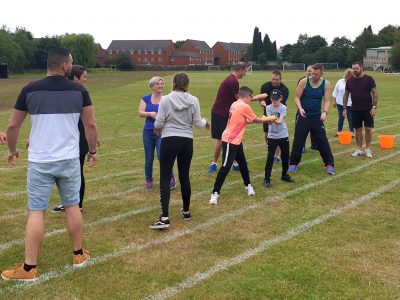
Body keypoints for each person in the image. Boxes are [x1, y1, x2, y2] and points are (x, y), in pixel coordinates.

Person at [1, 47, 97, 281]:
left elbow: (13, 126)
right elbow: (90, 125)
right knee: (72, 206)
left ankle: (29, 267)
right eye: (71, 63)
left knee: (36, 211)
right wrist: (92, 150)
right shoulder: (79, 91)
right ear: (64, 66)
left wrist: (12, 151)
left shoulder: (30, 89)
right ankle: (78, 254)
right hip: (68, 160)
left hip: (40, 160)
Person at [150, 73, 209, 229]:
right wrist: (206, 122)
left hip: (169, 139)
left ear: (173, 83)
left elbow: (159, 121)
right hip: (186, 141)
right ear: (187, 84)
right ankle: (186, 211)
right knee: (184, 176)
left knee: (165, 177)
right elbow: (197, 122)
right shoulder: (194, 100)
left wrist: (157, 129)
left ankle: (164, 217)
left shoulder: (166, 99)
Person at [209, 86, 273, 205]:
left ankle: (248, 186)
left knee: (243, 164)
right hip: (230, 140)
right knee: (225, 167)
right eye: (251, 97)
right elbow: (254, 119)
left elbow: (242, 120)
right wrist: (266, 119)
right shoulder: (244, 106)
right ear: (246, 96)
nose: (251, 99)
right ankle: (215, 193)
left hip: (236, 140)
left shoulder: (235, 103)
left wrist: (263, 120)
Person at [52, 65, 101, 213]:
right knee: (64, 173)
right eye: (84, 76)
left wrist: (93, 138)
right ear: (75, 77)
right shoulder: (65, 92)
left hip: (78, 139)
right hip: (65, 139)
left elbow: (89, 120)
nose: (86, 79)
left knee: (76, 172)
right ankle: (68, 202)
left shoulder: (80, 92)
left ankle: (77, 205)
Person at [288, 63, 335, 175]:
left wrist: (325, 112)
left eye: (316, 74)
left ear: (321, 73)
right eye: (312, 73)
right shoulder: (304, 81)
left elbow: (327, 100)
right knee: (298, 140)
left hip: (317, 116)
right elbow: (296, 97)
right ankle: (293, 163)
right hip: (303, 115)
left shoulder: (326, 84)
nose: (313, 76)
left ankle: (329, 165)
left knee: (322, 141)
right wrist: (300, 108)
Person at [208, 62, 248, 173]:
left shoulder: (233, 80)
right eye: (245, 71)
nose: (246, 73)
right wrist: (253, 98)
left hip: (227, 114)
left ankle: (234, 163)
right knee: (221, 140)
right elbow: (239, 99)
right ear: (240, 70)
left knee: (232, 138)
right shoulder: (233, 81)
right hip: (220, 114)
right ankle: (214, 163)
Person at [138, 76, 176, 191]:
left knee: (162, 157)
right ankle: (149, 181)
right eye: (157, 84)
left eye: (162, 84)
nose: (160, 86)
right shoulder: (145, 98)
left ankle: (170, 178)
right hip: (148, 133)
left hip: (162, 132)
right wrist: (149, 114)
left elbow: (172, 115)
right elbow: (140, 113)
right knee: (148, 158)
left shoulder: (167, 99)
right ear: (152, 86)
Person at [343, 62, 378, 158]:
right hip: (355, 109)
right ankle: (358, 149)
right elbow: (346, 95)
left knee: (368, 129)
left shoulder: (369, 79)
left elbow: (374, 93)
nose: (355, 70)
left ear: (361, 68)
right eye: (353, 68)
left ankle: (367, 149)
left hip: (367, 109)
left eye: (356, 68)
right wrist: (344, 108)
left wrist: (374, 107)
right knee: (357, 130)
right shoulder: (349, 81)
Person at [263, 89, 294, 188]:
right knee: (270, 158)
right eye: (272, 99)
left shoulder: (283, 107)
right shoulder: (268, 107)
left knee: (285, 157)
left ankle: (284, 175)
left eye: (276, 99)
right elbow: (269, 120)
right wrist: (268, 120)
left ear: (281, 98)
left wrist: (271, 119)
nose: (274, 101)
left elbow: (280, 121)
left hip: (283, 135)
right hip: (272, 136)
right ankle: (266, 179)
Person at [259, 70, 289, 163]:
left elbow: (281, 105)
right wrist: (261, 102)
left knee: (278, 134)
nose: (275, 81)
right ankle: (271, 150)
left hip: (279, 113)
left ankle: (277, 156)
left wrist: (276, 118)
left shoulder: (284, 89)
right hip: (267, 111)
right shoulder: (265, 86)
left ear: (280, 79)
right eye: (273, 79)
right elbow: (261, 98)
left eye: (276, 79)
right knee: (266, 133)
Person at [332, 68, 354, 135]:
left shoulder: (354, 83)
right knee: (341, 118)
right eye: (347, 76)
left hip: (350, 104)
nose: (348, 78)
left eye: (350, 76)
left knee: (350, 118)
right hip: (340, 103)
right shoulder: (340, 81)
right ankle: (339, 131)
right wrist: (334, 101)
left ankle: (352, 132)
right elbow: (335, 91)